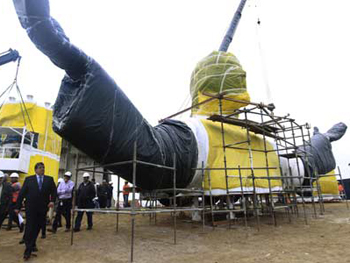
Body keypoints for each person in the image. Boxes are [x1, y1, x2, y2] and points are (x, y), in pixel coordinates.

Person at [15, 162, 57, 261]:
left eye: (43, 167)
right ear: (35, 170)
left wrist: (52, 201)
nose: (42, 169)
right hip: (31, 208)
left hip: (42, 209)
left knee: (37, 228)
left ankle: (32, 244)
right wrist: (17, 207)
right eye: (40, 168)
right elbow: (21, 194)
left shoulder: (49, 180)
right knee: (30, 228)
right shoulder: (29, 180)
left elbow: (54, 192)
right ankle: (28, 251)